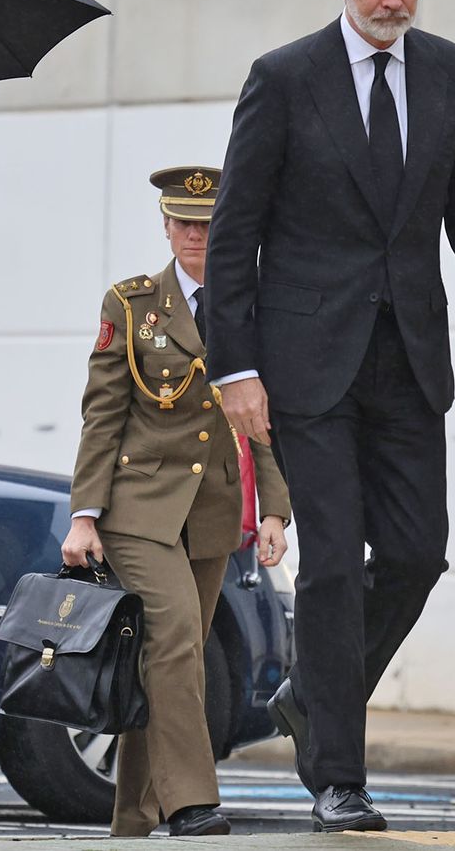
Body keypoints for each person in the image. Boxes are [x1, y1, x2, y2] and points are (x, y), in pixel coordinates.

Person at [204, 0, 455, 832]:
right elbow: (235, 238)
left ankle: (312, 694)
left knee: (418, 555)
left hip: (411, 362)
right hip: (307, 368)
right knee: (335, 562)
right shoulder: (284, 79)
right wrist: (237, 368)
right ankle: (338, 773)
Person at [62, 166, 292, 838]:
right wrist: (84, 515)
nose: (196, 234)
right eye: (184, 223)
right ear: (166, 227)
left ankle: (132, 820)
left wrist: (274, 508)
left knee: (158, 658)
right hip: (139, 509)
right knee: (177, 639)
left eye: (208, 223)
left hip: (212, 514)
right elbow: (102, 417)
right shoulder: (131, 305)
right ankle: (191, 801)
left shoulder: (251, 304)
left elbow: (264, 417)